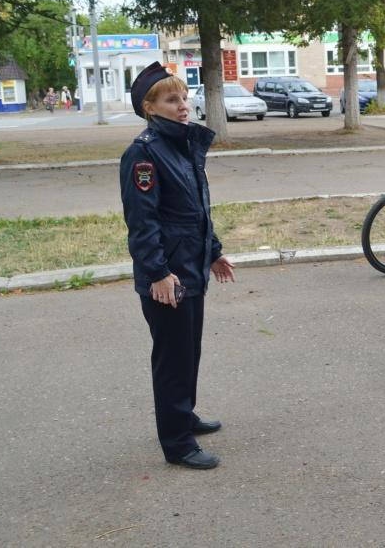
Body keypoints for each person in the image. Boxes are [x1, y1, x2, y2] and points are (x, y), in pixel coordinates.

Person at [119, 62, 236, 470]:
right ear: (150, 107)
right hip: (167, 276)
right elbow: (142, 222)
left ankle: (183, 414)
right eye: (172, 99)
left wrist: (214, 251)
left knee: (189, 351)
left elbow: (195, 211)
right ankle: (178, 442)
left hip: (191, 267)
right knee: (173, 358)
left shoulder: (182, 146)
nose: (183, 105)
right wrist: (157, 273)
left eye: (184, 97)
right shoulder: (144, 154)